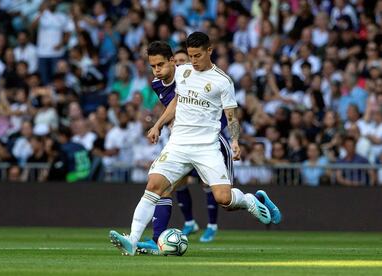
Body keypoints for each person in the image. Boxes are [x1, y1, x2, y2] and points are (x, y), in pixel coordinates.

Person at [109, 32, 281, 256]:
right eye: (190, 56)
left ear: (209, 51)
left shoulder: (222, 80)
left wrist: (236, 140)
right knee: (154, 186)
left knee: (224, 199)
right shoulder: (183, 72)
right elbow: (176, 103)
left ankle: (251, 200)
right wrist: (159, 124)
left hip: (206, 147)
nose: (194, 60)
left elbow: (232, 116)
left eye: (198, 55)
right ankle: (132, 239)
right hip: (178, 144)